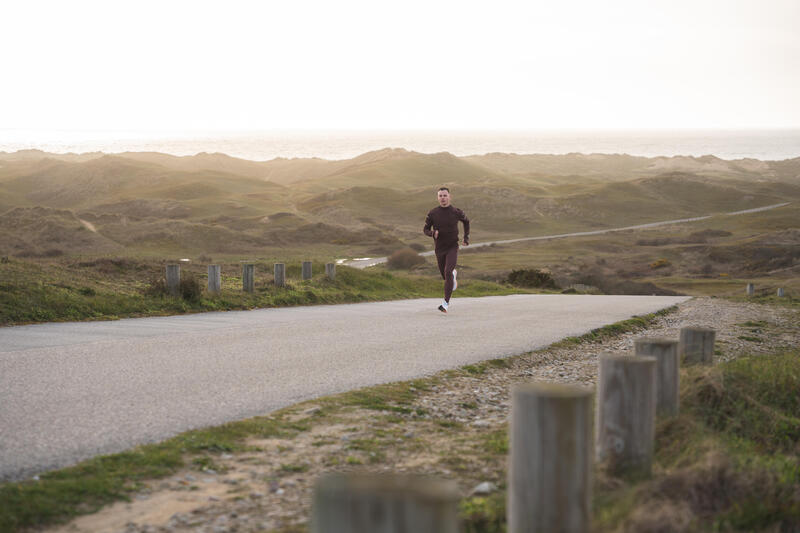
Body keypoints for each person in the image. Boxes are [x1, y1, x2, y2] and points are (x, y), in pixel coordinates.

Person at [423, 187, 470, 313]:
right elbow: (425, 229)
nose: (442, 198)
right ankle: (453, 276)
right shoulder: (432, 213)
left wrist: (466, 238)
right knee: (445, 276)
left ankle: (445, 303)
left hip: (452, 247)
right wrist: (432, 233)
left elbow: (466, 222)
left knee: (448, 271)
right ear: (438, 198)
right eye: (440, 196)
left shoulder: (456, 212)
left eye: (445, 195)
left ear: (450, 197)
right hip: (439, 249)